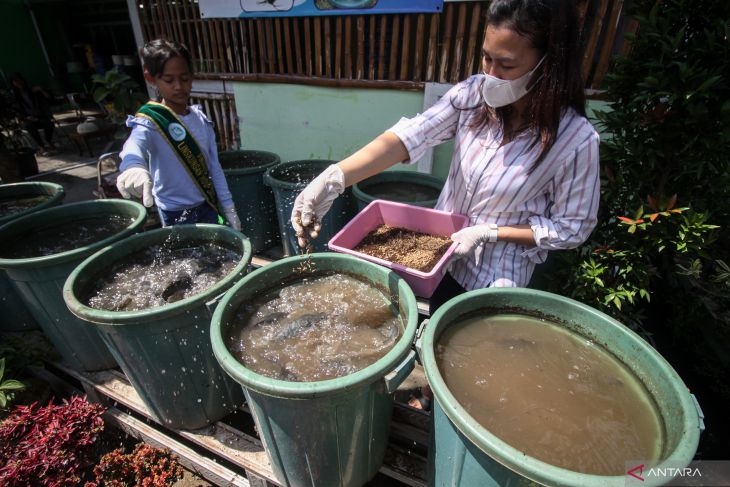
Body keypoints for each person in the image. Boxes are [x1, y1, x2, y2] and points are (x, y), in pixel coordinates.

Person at [291, 0, 600, 408]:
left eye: (505, 65)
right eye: (486, 57)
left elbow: (572, 228)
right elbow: (407, 138)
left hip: (496, 281)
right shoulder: (473, 97)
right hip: (441, 260)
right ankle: (426, 393)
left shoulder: (575, 141)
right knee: (433, 337)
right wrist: (333, 179)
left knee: (468, 368)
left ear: (548, 63)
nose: (490, 74)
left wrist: (491, 232)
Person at [116, 39, 241, 229]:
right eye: (168, 80)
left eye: (184, 78)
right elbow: (134, 145)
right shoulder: (151, 122)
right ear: (151, 78)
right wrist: (133, 165)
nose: (178, 86)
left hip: (207, 206)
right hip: (174, 212)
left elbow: (215, 168)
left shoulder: (201, 119)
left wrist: (229, 207)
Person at [9, 72, 57, 155]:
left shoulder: (33, 90)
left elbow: (50, 99)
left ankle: (48, 141)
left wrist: (41, 90)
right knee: (29, 126)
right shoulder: (14, 96)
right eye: (15, 81)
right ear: (13, 83)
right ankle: (41, 146)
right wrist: (26, 117)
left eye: (19, 80)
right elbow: (16, 110)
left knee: (49, 122)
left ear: (23, 81)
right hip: (27, 118)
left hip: (40, 116)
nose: (18, 83)